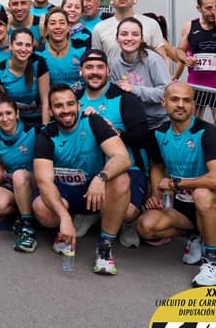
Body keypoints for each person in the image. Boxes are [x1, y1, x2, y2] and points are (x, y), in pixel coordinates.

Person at [136, 82, 216, 287]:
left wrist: (176, 183)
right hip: (184, 203)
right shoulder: (159, 133)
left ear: (193, 105)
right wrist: (157, 193)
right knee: (145, 226)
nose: (180, 105)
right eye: (174, 99)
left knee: (202, 194)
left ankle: (212, 263)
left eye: (186, 100)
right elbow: (157, 165)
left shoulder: (207, 132)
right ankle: (197, 234)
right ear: (163, 102)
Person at [32, 84, 132, 275]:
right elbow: (44, 182)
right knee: (41, 207)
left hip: (93, 191)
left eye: (70, 104)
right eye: (59, 106)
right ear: (50, 111)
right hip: (64, 192)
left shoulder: (93, 121)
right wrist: (63, 218)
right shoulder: (46, 135)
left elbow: (122, 158)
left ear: (78, 105)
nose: (66, 110)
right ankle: (65, 227)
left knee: (121, 179)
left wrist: (101, 178)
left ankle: (105, 245)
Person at [77, 48, 152, 248]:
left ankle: (127, 222)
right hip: (88, 168)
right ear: (81, 71)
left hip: (128, 168)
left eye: (100, 67)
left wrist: (114, 132)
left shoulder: (125, 98)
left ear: (108, 71)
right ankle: (92, 213)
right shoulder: (73, 99)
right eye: (89, 67)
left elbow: (143, 137)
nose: (95, 72)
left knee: (127, 211)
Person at [0, 95, 37, 253]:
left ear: (17, 113)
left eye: (8, 113)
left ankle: (27, 227)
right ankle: (25, 211)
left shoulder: (34, 130)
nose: (5, 118)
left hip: (35, 181)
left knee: (19, 175)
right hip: (13, 183)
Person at [110, 16, 170, 128]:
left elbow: (166, 92)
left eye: (135, 34)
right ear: (117, 38)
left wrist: (133, 89)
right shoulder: (114, 64)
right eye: (124, 34)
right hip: (132, 122)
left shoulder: (153, 60)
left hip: (159, 123)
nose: (129, 38)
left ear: (141, 39)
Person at [91, 0, 167, 61]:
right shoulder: (100, 28)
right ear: (111, 0)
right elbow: (96, 61)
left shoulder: (151, 24)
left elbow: (162, 59)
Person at [0, 28, 50, 128]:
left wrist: (45, 130)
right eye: (19, 44)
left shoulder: (39, 62)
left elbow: (45, 102)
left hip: (38, 118)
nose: (23, 49)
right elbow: (3, 106)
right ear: (10, 46)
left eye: (28, 45)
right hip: (14, 122)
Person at [40, 8, 84, 93]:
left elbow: (86, 80)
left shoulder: (81, 50)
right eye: (53, 23)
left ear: (68, 27)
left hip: (78, 98)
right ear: (46, 29)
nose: (58, 27)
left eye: (62, 23)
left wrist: (70, 91)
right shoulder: (38, 54)